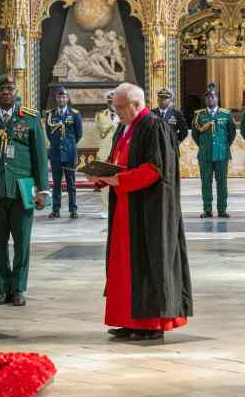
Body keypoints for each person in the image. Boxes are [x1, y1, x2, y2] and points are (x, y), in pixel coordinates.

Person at [98, 83, 192, 342]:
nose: (115, 112)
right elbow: (116, 161)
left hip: (149, 210)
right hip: (127, 208)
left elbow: (156, 169)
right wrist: (101, 175)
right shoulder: (124, 127)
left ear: (136, 104)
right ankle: (129, 320)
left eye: (119, 107)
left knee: (148, 264)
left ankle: (150, 324)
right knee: (125, 265)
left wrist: (121, 180)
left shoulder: (155, 127)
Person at [0, 74, 48, 307]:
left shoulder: (30, 119)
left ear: (15, 91)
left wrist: (43, 191)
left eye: (10, 88)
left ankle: (18, 288)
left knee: (22, 243)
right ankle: (3, 288)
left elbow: (40, 156)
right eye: (1, 89)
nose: (6, 92)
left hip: (22, 190)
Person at [191, 87, 236, 218]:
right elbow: (195, 135)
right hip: (205, 155)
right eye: (209, 97)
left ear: (218, 99)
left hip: (222, 155)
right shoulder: (199, 115)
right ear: (205, 99)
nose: (211, 98)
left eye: (214, 96)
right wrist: (204, 146)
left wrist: (224, 147)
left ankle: (222, 210)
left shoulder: (226, 114)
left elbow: (231, 133)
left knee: (222, 183)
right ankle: (207, 210)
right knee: (206, 182)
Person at [46, 87, 83, 219]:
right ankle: (56, 209)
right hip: (56, 153)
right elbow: (49, 134)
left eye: (64, 97)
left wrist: (69, 146)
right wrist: (56, 145)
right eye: (59, 97)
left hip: (69, 154)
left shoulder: (74, 114)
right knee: (56, 184)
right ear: (56, 99)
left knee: (71, 183)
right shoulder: (50, 114)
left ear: (67, 98)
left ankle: (73, 209)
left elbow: (79, 134)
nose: (61, 99)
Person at [94, 92, 119, 218]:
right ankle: (106, 209)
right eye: (109, 101)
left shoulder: (123, 114)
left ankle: (118, 208)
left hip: (119, 151)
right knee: (104, 182)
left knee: (119, 180)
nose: (112, 104)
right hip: (105, 151)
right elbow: (97, 132)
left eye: (113, 101)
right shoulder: (100, 115)